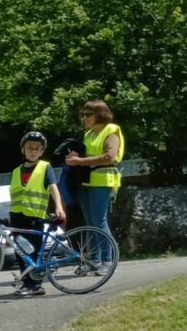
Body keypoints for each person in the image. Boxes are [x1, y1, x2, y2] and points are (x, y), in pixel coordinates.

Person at [65, 100, 124, 273]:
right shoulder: (89, 134)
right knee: (90, 222)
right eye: (83, 114)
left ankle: (107, 260)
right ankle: (94, 260)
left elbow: (110, 157)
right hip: (86, 180)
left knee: (99, 221)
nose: (84, 118)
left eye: (88, 114)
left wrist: (80, 161)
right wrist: (75, 157)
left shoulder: (111, 130)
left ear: (100, 114)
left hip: (103, 180)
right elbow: (88, 156)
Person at [9, 132, 66, 297]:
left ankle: (35, 285)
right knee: (20, 252)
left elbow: (53, 187)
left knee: (32, 251)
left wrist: (59, 207)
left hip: (34, 216)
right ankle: (26, 283)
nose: (33, 151)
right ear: (23, 150)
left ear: (41, 152)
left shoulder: (44, 167)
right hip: (16, 216)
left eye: (37, 149)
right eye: (30, 148)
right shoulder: (15, 171)